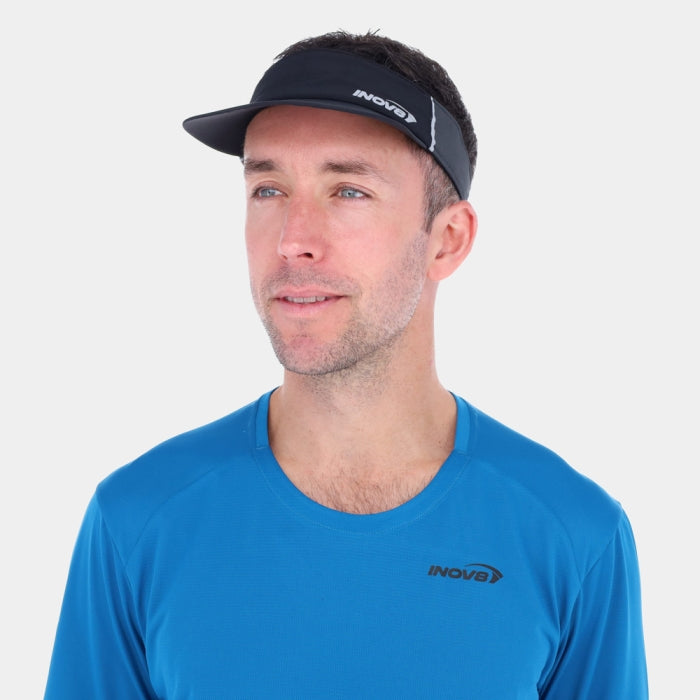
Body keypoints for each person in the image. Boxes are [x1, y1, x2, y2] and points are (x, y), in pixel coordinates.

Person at [44, 30, 648, 699]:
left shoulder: (572, 535)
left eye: (348, 191)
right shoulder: (139, 520)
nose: (293, 240)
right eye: (268, 189)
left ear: (447, 239)